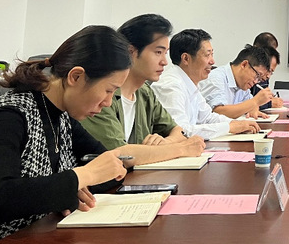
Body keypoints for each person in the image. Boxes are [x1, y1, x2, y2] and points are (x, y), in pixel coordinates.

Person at [0, 26, 138, 244]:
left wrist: (66, 190)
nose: (108, 103)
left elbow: (109, 169)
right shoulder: (8, 118)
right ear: (76, 76)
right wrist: (82, 176)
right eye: (108, 90)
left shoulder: (62, 117)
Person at [81, 14, 206, 160]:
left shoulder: (144, 92)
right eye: (158, 52)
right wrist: (182, 149)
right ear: (131, 52)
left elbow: (178, 131)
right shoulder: (102, 94)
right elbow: (121, 154)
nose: (165, 62)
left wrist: (166, 143)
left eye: (165, 53)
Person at [152, 29, 260, 139]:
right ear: (186, 58)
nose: (212, 61)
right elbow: (181, 131)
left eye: (212, 54)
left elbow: (208, 117)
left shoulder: (190, 83)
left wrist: (237, 124)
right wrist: (229, 127)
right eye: (207, 55)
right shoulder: (171, 86)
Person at [200, 45, 273, 118]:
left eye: (259, 79)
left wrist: (254, 109)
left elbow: (250, 104)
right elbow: (218, 112)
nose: (256, 81)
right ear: (244, 65)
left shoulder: (242, 84)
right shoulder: (216, 78)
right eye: (257, 75)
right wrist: (255, 101)